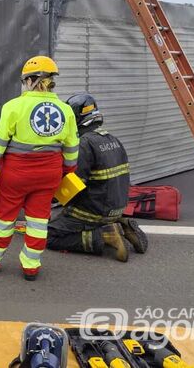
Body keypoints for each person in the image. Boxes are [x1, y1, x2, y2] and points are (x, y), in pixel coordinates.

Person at [0, 56, 79, 281]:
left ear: (30, 80)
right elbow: (71, 148)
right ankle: (31, 267)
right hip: (49, 174)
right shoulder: (66, 110)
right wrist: (68, 171)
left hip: (16, 174)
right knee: (39, 221)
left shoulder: (14, 106)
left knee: (4, 218)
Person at [47, 93, 148, 261]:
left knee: (49, 234)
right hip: (117, 209)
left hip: (94, 212)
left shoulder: (84, 143)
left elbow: (72, 186)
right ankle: (122, 225)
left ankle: (103, 237)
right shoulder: (113, 139)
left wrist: (47, 199)